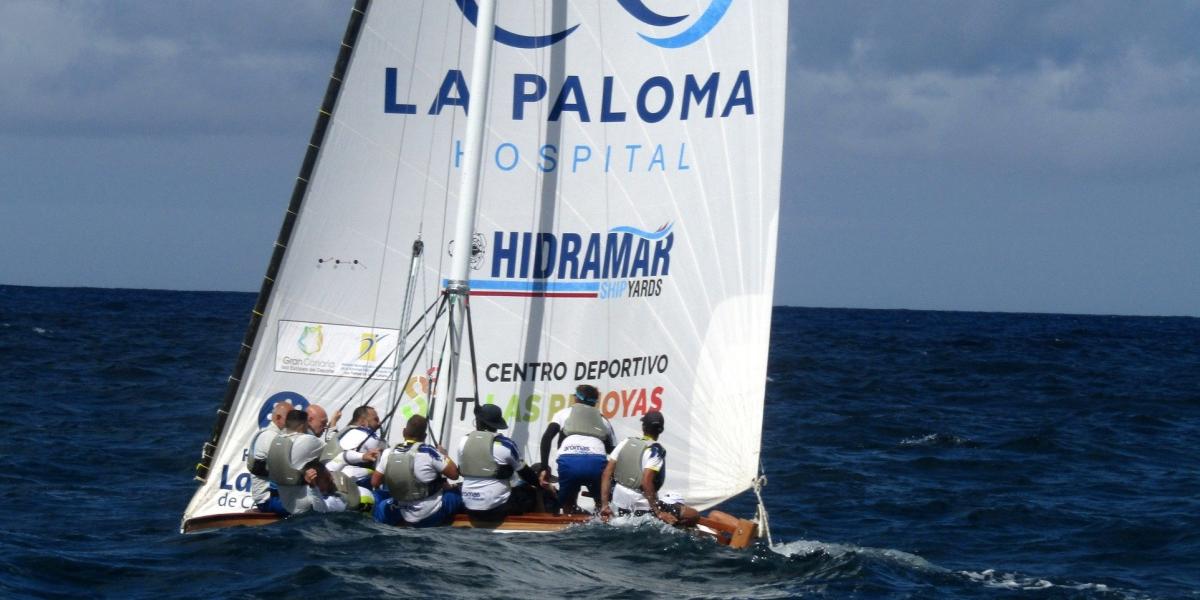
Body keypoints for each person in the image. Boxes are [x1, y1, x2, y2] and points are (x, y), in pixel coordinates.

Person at [598, 410, 698, 527]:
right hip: (642, 509)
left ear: (643, 427)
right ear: (661, 430)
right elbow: (646, 482)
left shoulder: (625, 442)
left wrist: (605, 505)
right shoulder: (656, 451)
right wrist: (658, 512)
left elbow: (606, 474)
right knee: (693, 515)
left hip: (619, 505)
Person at [457, 404, 548, 520]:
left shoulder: (463, 442)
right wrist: (539, 485)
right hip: (497, 509)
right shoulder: (506, 445)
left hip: (469, 507)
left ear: (478, 422)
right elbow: (526, 474)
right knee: (530, 492)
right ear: (497, 425)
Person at [371, 415, 463, 527]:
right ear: (424, 436)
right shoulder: (430, 452)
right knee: (457, 492)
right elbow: (454, 475)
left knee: (378, 497)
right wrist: (444, 455)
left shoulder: (389, 453)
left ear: (404, 432)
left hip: (399, 510)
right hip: (428, 514)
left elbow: (375, 482)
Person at [540, 384, 615, 514]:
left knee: (568, 504)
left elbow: (547, 438)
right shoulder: (604, 420)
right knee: (601, 503)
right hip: (596, 463)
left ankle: (568, 513)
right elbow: (612, 450)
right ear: (595, 402)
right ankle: (602, 512)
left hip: (569, 463)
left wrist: (544, 468)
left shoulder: (562, 413)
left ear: (576, 398)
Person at [266, 409, 329, 516]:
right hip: (305, 505)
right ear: (303, 425)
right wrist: (333, 427)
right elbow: (332, 450)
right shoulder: (308, 440)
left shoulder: (276, 440)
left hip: (284, 503)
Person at [322, 406, 385, 487]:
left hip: (327, 473)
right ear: (363, 421)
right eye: (376, 419)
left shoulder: (344, 432)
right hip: (348, 483)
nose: (379, 423)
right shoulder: (370, 437)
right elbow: (386, 457)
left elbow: (330, 438)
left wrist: (334, 421)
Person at [248, 400, 291, 513]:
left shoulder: (276, 436)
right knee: (309, 505)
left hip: (276, 495)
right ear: (278, 418)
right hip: (268, 499)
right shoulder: (269, 437)